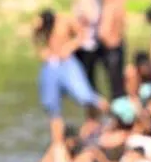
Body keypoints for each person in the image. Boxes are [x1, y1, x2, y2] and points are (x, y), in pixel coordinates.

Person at [33, 9, 106, 143]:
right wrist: (41, 51)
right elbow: (35, 40)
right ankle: (57, 142)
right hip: (50, 64)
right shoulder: (39, 24)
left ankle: (106, 120)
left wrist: (70, 47)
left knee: (85, 96)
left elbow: (82, 35)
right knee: (51, 105)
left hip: (67, 63)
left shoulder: (64, 20)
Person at [72, 0, 104, 122]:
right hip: (84, 45)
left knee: (88, 84)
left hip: (87, 46)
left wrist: (79, 22)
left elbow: (92, 18)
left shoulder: (88, 0)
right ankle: (91, 117)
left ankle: (94, 117)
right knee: (85, 83)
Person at [94, 0, 128, 101]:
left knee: (115, 88)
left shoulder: (109, 5)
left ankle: (118, 116)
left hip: (110, 49)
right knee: (118, 86)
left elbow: (103, 32)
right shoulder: (118, 1)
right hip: (119, 46)